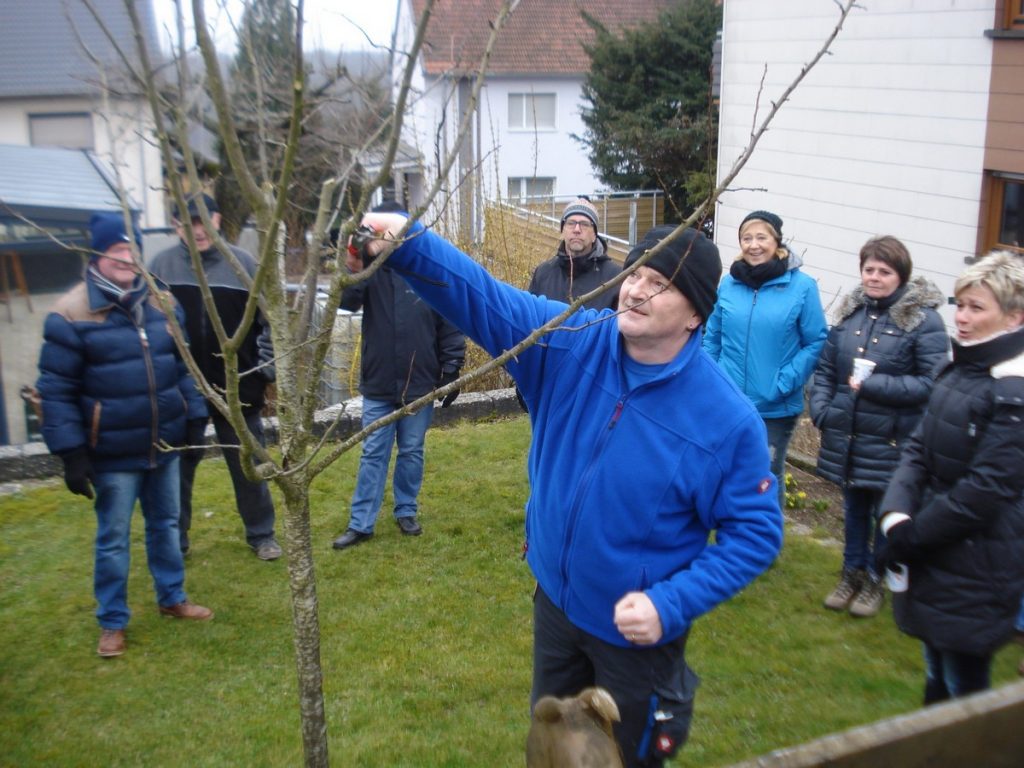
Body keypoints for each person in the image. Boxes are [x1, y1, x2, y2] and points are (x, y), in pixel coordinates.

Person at [351, 213, 783, 767]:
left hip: (636, 635)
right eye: (636, 274)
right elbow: (482, 297)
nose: (637, 290)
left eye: (661, 284)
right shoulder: (570, 344)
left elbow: (757, 534)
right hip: (555, 604)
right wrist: (407, 242)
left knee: (623, 759)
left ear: (695, 313)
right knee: (552, 749)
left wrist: (669, 603)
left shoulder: (726, 420)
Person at [36, 212, 213, 658]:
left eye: (131, 250)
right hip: (111, 451)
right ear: (96, 256)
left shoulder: (161, 302)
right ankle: (112, 621)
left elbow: (185, 367)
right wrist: (72, 453)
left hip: (164, 442)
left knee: (166, 525)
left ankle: (172, 597)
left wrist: (195, 417)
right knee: (114, 538)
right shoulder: (70, 314)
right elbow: (56, 391)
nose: (126, 259)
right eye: (115, 252)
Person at [875, 250, 1024, 704]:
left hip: (978, 560)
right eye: (960, 304)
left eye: (977, 308)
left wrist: (913, 537)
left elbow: (986, 489)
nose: (961, 317)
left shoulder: (1013, 390)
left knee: (963, 691)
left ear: (1015, 318)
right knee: (936, 673)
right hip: (935, 547)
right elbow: (918, 450)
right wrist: (894, 516)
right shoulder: (957, 368)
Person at [809, 236, 948, 618]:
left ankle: (875, 579)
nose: (874, 277)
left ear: (900, 276)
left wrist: (873, 385)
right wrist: (821, 410)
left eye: (883, 271)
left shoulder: (923, 320)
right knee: (853, 510)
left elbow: (933, 383)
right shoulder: (851, 314)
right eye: (869, 269)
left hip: (893, 440)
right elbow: (824, 369)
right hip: (849, 435)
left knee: (883, 515)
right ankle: (850, 573)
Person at [147, 194, 282, 561]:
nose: (196, 231)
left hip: (238, 388)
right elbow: (150, 325)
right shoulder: (160, 267)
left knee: (247, 464)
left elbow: (270, 325)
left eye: (202, 222)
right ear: (175, 227)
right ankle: (177, 541)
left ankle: (262, 535)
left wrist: (263, 369)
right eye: (186, 223)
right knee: (178, 467)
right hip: (182, 387)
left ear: (217, 220)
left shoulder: (244, 266)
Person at [331, 204, 466, 550]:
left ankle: (406, 510)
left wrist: (451, 368)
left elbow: (449, 322)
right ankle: (361, 523)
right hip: (378, 382)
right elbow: (346, 302)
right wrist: (354, 262)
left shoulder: (426, 271)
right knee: (373, 452)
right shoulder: (372, 269)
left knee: (411, 451)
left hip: (420, 382)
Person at [703, 210, 827, 511]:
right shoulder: (729, 285)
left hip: (775, 405)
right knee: (726, 471)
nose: (754, 245)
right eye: (747, 238)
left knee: (765, 475)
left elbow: (816, 341)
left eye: (762, 237)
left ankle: (765, 541)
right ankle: (732, 536)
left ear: (777, 242)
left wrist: (784, 382)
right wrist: (715, 377)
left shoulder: (801, 286)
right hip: (729, 401)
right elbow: (712, 337)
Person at [527, 197, 619, 311]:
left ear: (594, 235)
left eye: (584, 224)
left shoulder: (615, 277)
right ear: (562, 231)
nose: (577, 229)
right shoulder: (543, 273)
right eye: (571, 223)